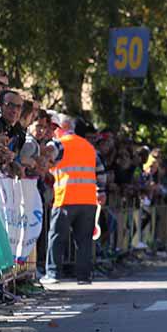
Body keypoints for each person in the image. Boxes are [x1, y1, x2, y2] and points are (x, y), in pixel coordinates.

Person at [41, 116, 105, 286]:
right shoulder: (88, 146)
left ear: (61, 128)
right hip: (89, 201)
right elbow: (100, 172)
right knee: (84, 241)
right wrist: (101, 192)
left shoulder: (59, 144)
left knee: (56, 237)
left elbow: (47, 156)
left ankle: (53, 273)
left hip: (66, 199)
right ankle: (84, 276)